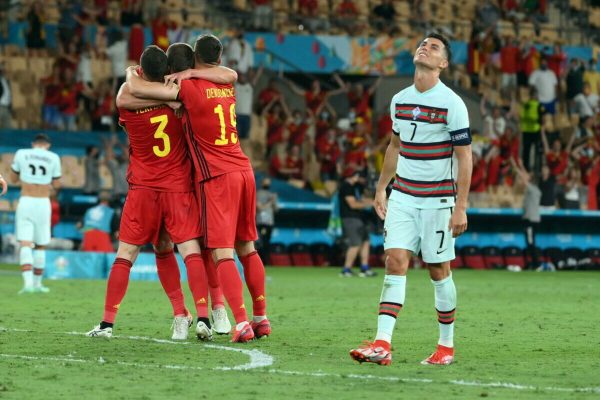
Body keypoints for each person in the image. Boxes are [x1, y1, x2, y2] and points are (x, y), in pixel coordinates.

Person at [126, 34, 270, 343]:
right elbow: (230, 73)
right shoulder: (225, 83)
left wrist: (131, 73)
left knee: (221, 251)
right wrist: (195, 71)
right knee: (247, 246)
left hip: (217, 176)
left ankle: (241, 321)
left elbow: (132, 92)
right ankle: (261, 317)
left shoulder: (186, 89)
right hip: (244, 169)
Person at [86, 46, 235, 341]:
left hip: (143, 188)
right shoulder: (180, 95)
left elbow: (126, 92)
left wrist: (130, 73)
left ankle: (109, 324)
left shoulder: (128, 98)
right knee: (192, 250)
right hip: (180, 186)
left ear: (141, 71)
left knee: (130, 254)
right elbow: (228, 76)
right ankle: (203, 315)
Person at [350, 33, 472, 366]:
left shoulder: (453, 103)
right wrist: (381, 187)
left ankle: (445, 347)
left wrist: (460, 206)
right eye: (423, 44)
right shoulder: (400, 99)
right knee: (394, 261)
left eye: (434, 47)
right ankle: (382, 343)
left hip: (438, 201)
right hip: (403, 195)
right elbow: (394, 146)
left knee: (438, 270)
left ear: (443, 63)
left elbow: (464, 157)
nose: (425, 48)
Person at [9, 134, 62, 294]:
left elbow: (13, 178)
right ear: (47, 145)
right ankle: (38, 284)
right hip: (43, 202)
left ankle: (28, 285)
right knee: (40, 245)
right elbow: (57, 184)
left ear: (33, 144)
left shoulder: (21, 153)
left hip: (26, 200)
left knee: (25, 243)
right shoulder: (53, 157)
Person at [339, 167, 375, 277]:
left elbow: (361, 199)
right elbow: (353, 204)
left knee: (365, 242)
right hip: (351, 218)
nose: (358, 177)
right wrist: (371, 204)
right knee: (355, 244)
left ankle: (364, 268)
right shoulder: (346, 186)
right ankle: (346, 269)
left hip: (359, 218)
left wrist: (376, 201)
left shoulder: (354, 187)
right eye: (356, 175)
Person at [511, 158, 541, 269]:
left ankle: (536, 264)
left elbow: (524, 179)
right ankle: (534, 264)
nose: (526, 175)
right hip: (533, 220)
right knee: (530, 242)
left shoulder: (532, 189)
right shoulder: (535, 189)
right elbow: (526, 178)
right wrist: (521, 165)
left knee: (530, 243)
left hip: (530, 220)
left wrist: (516, 165)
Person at [256, 177, 277, 263]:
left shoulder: (271, 194)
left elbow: (275, 209)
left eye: (268, 183)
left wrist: (274, 201)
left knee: (267, 242)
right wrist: (270, 201)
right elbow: (259, 208)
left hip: (269, 222)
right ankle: (260, 261)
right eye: (266, 182)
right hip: (261, 221)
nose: (267, 184)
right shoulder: (258, 194)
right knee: (260, 243)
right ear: (262, 183)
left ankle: (266, 261)